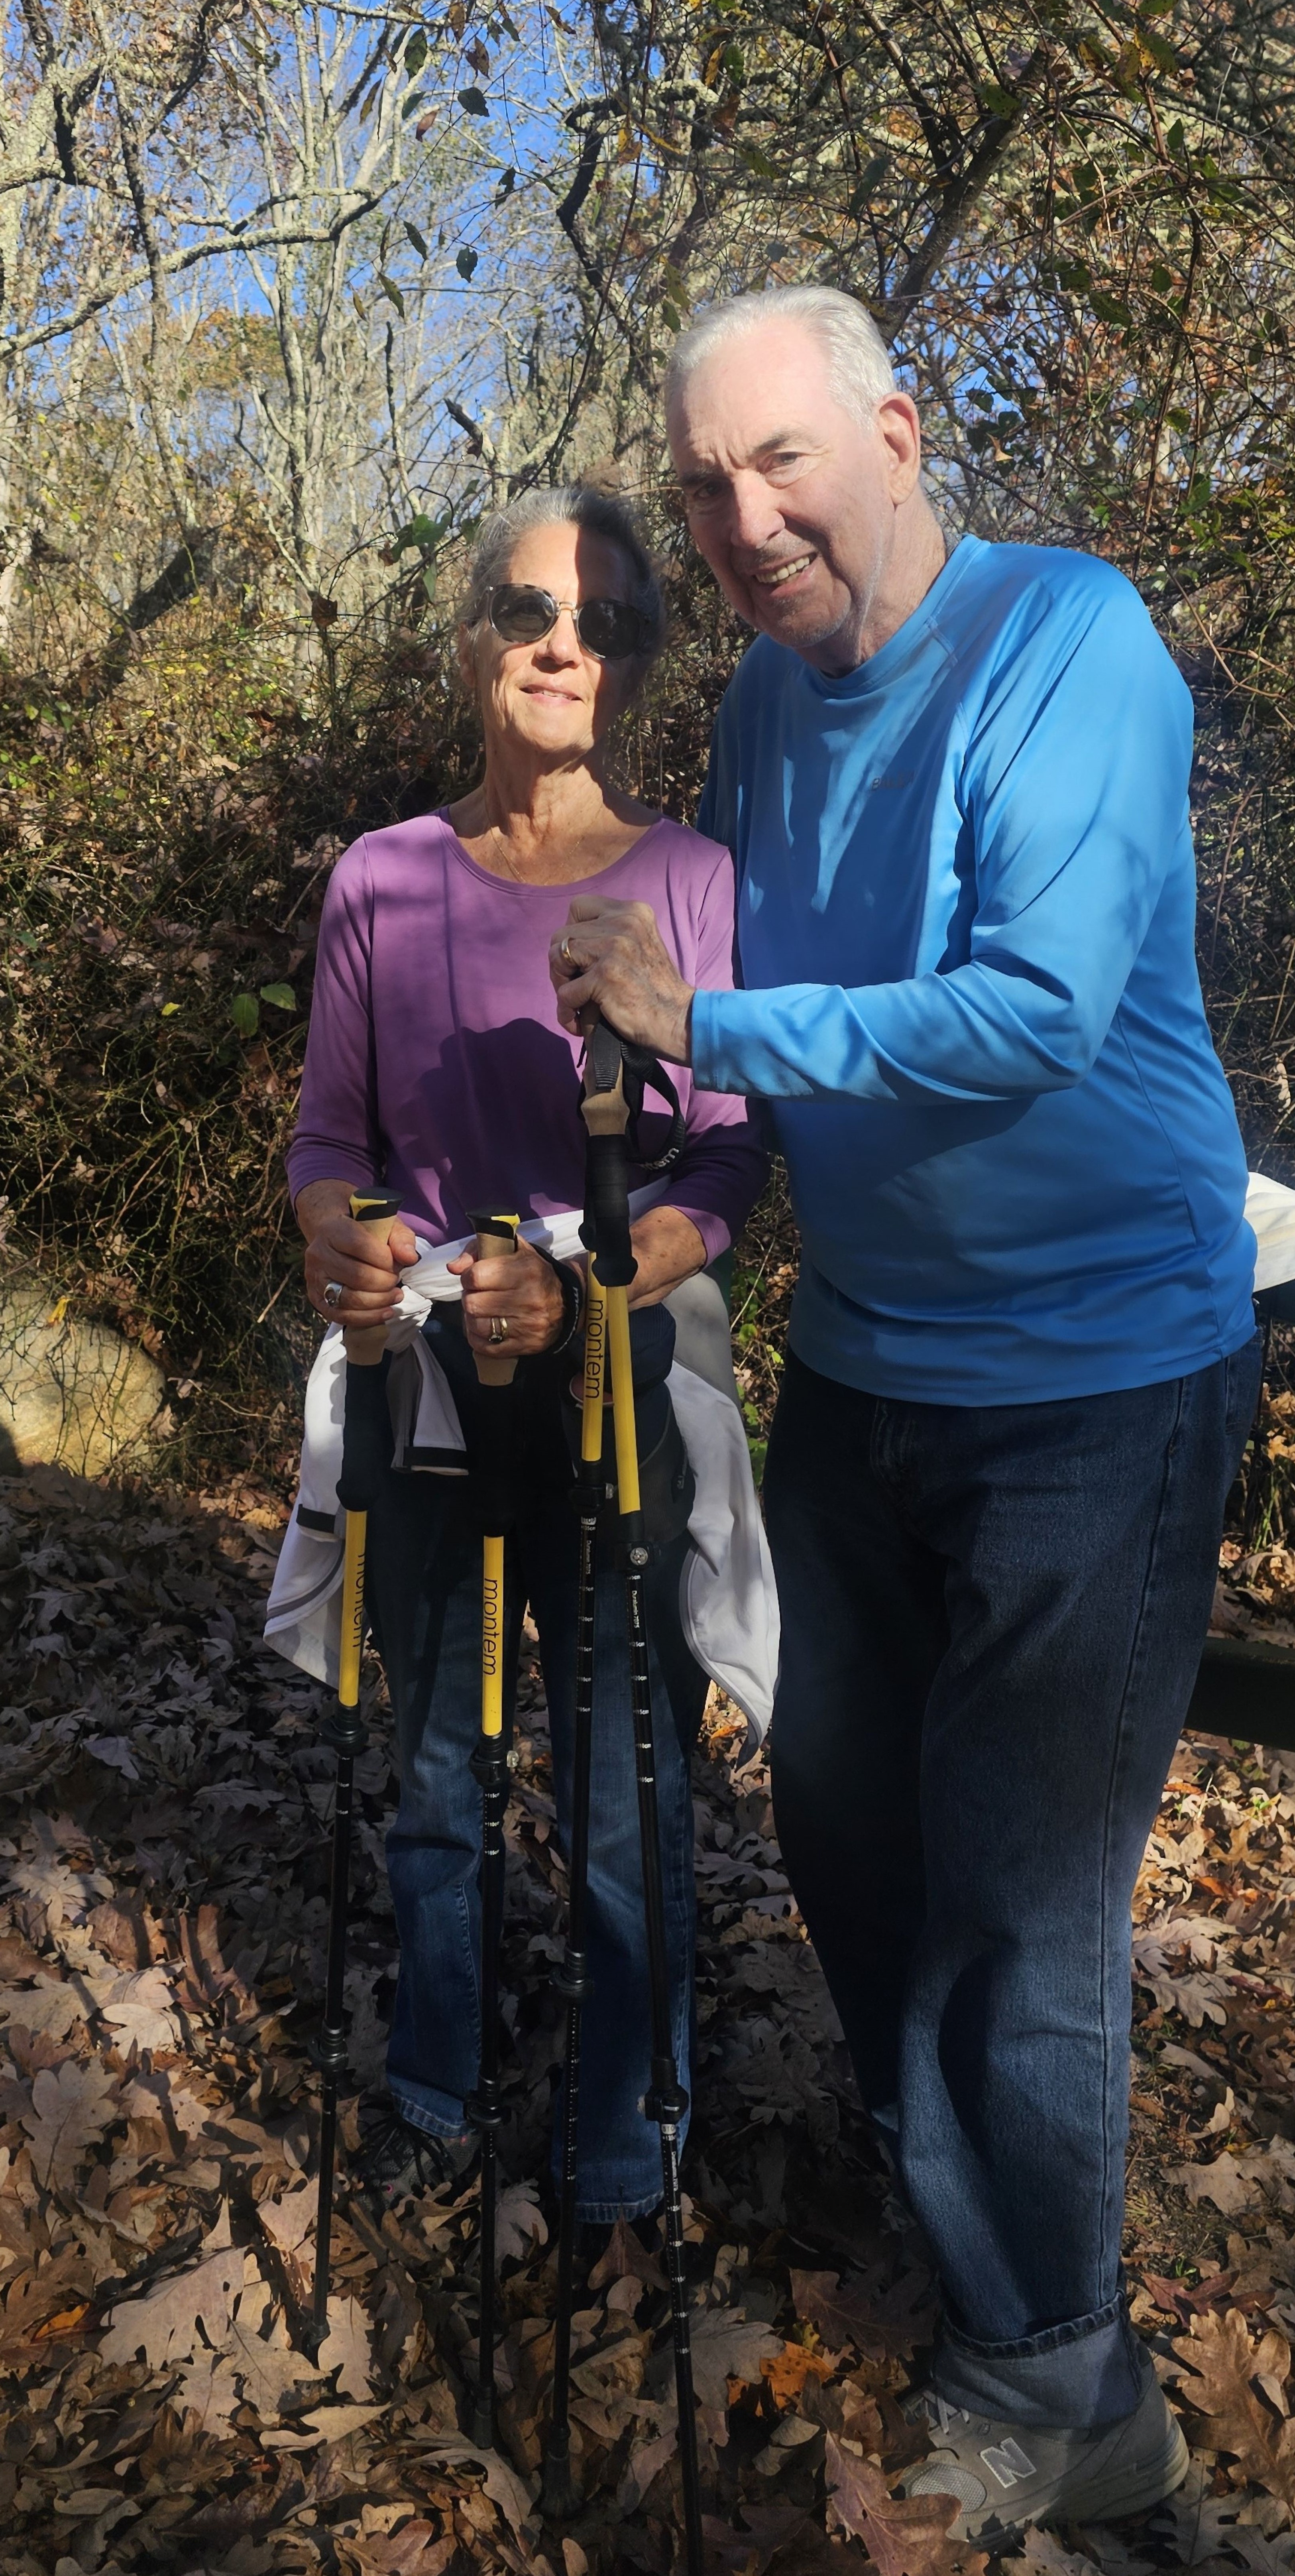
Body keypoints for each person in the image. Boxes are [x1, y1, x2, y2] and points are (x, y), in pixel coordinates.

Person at [547, 287, 1260, 2540]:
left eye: (778, 464)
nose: (741, 521)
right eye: (699, 485)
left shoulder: (1071, 643)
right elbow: (725, 1019)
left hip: (1095, 1388)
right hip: (864, 1366)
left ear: (894, 427)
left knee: (1019, 1914)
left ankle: (1066, 2383)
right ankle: (959, 2211)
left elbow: (1039, 1011)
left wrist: (715, 1020)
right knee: (850, 1833)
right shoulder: (765, 702)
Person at [286, 484, 767, 2219]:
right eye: (529, 606)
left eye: (609, 621)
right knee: (431, 1766)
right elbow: (325, 1143)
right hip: (423, 1375)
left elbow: (720, 1157)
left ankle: (631, 2130)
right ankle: (432, 2087)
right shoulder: (381, 880)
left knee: (626, 1766)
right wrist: (343, 1239)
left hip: (610, 1385)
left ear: (637, 665)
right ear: (473, 630)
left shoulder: (688, 880)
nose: (565, 643)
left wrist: (590, 1294)